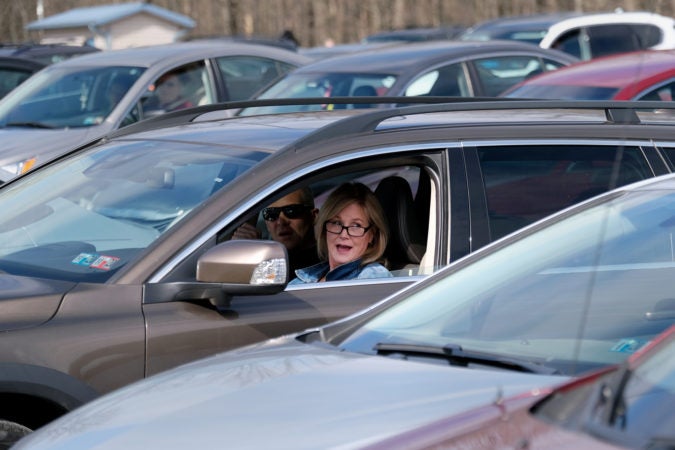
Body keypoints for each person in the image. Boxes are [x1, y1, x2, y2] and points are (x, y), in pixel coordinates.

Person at [290, 182, 391, 284]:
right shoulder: (302, 280)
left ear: (371, 235)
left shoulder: (373, 277)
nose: (344, 235)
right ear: (324, 229)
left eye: (356, 225)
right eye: (336, 223)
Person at [232, 187, 320, 274]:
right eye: (271, 214)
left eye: (291, 211)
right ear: (266, 223)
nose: (280, 222)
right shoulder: (272, 258)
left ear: (313, 216)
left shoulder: (326, 261)